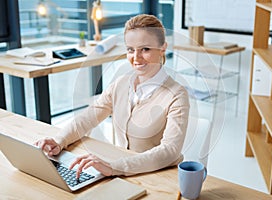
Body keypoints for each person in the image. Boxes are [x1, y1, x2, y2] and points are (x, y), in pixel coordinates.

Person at [35, 14, 190, 178]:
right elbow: (88, 118)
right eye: (130, 49)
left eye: (145, 49)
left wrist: (114, 167)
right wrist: (59, 141)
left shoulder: (177, 95)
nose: (136, 58)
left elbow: (170, 150)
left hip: (158, 176)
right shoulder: (121, 83)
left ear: (163, 48)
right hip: (120, 173)